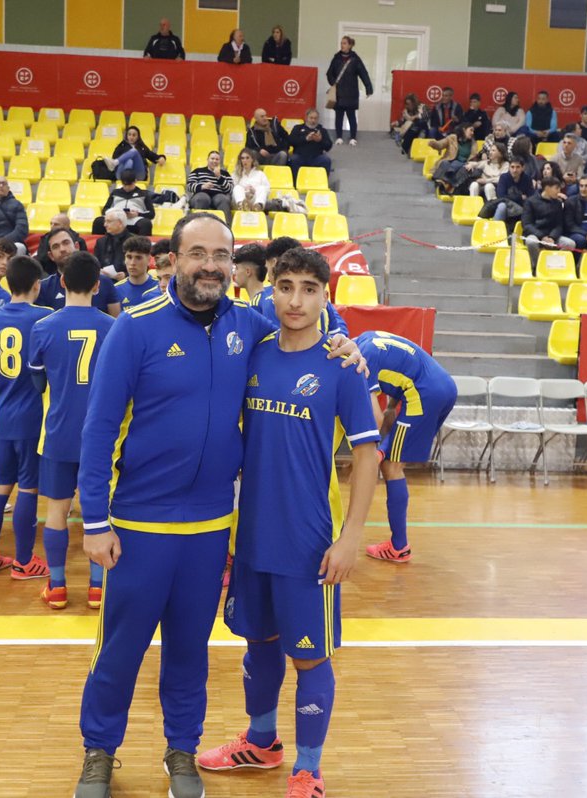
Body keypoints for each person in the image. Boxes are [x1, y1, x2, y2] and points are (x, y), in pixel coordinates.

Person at [70, 213, 365, 798]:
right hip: (136, 526)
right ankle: (99, 752)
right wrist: (96, 520)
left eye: (221, 254)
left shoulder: (248, 327)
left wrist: (344, 343)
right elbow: (99, 428)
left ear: (233, 265)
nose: (210, 264)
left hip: (209, 530)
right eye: (197, 253)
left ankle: (181, 750)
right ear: (172, 260)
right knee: (120, 651)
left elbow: (302, 326)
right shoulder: (133, 327)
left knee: (190, 652)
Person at [197, 248, 379, 798]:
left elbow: (368, 456)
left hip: (309, 540)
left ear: (326, 296)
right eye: (286, 287)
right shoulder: (252, 352)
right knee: (259, 642)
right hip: (250, 534)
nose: (295, 300)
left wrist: (351, 539)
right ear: (269, 290)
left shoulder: (341, 365)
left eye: (308, 288)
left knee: (309, 654)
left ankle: (309, 768)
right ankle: (261, 742)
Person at [28, 251, 116, 612]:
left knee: (55, 513)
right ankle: (98, 589)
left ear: (61, 282)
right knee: (99, 513)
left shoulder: (43, 326)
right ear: (98, 285)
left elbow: (36, 382)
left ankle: (58, 586)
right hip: (102, 437)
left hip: (59, 432)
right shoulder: (113, 328)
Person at [0, 254, 53, 581]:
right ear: (37, 285)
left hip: (3, 414)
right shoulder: (46, 317)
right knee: (29, 490)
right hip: (34, 417)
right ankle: (23, 561)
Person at [354, 329, 458, 563]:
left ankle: (398, 547)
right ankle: (398, 544)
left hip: (424, 395)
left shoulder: (359, 358)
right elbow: (403, 369)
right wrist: (392, 407)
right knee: (390, 459)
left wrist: (372, 453)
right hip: (443, 386)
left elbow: (375, 420)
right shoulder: (366, 337)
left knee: (391, 467)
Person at [254, 236, 348, 336]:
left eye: (309, 290)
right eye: (286, 288)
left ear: (273, 263)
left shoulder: (261, 299)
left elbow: (340, 334)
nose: (295, 302)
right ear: (274, 294)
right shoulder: (261, 300)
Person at [37, 228, 121, 317]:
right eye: (56, 246)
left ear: (77, 246)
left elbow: (115, 323)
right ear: (51, 256)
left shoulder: (104, 282)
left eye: (66, 243)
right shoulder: (44, 287)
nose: (62, 249)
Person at [326, 36, 373, 146]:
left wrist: (368, 88)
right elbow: (329, 73)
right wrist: (334, 84)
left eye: (345, 43)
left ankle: (353, 137)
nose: (342, 45)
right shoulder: (336, 58)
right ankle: (339, 137)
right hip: (339, 92)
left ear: (350, 45)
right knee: (339, 116)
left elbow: (363, 74)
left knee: (351, 116)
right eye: (341, 43)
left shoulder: (355, 59)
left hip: (351, 92)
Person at [521, 176, 570, 262]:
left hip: (551, 235)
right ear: (547, 188)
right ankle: (536, 266)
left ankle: (553, 263)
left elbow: (559, 225)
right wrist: (542, 237)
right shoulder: (530, 202)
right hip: (535, 234)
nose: (559, 191)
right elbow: (527, 224)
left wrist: (552, 237)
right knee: (531, 242)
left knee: (569, 243)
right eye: (556, 188)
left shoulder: (558, 203)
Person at [93, 170, 154, 237]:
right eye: (125, 185)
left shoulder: (143, 194)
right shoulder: (115, 193)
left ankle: (143, 246)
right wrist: (113, 213)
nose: (127, 187)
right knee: (98, 221)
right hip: (116, 219)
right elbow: (105, 210)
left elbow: (151, 214)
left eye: (130, 185)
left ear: (135, 181)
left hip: (134, 219)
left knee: (146, 224)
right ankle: (99, 244)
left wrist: (138, 214)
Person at [114, 236, 160, 310]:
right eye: (129, 257)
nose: (132, 263)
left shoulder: (160, 287)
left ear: (148, 260)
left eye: (138, 258)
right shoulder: (115, 290)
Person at [289, 109, 334, 175]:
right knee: (293, 159)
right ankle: (295, 183)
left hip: (316, 157)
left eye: (315, 118)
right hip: (300, 156)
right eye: (311, 118)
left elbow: (328, 147)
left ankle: (322, 183)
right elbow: (291, 141)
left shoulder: (322, 130)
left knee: (326, 160)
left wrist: (320, 140)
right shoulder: (297, 128)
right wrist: (305, 139)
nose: (313, 120)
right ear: (306, 117)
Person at [492, 157, 536, 222]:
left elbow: (531, 197)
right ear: (509, 168)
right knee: (502, 206)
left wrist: (511, 197)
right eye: (512, 167)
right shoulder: (504, 177)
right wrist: (520, 197)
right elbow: (501, 197)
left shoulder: (527, 179)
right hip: (507, 206)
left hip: (521, 207)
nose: (514, 170)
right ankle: (496, 229)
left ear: (523, 168)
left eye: (518, 167)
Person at [93, 209, 133, 278]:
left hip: (128, 282)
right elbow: (94, 264)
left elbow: (143, 267)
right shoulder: (100, 242)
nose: (105, 225)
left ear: (120, 223)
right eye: (105, 221)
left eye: (108, 221)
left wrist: (126, 275)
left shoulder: (134, 242)